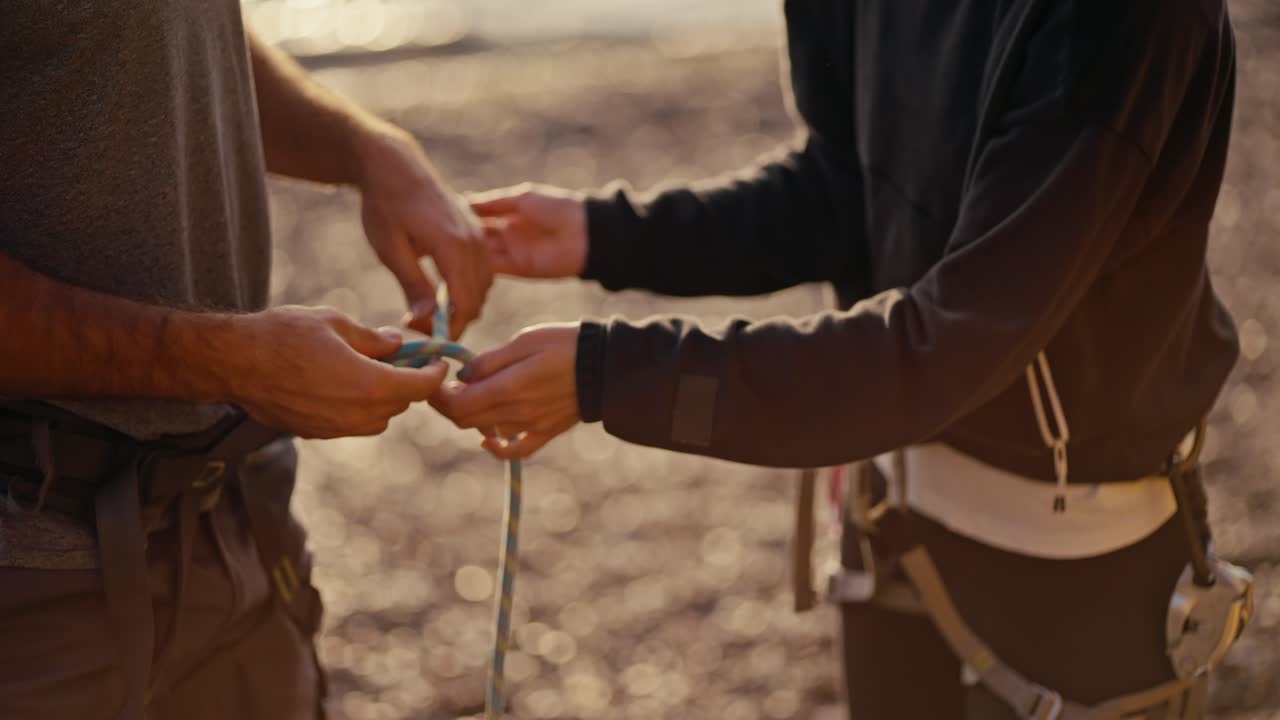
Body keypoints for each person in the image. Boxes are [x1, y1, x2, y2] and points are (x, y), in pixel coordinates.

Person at [435, 1, 1247, 717]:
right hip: (885, 510)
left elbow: (947, 347)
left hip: (1072, 560)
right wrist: (606, 235)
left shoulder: (1128, 18)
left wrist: (609, 376)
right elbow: (841, 188)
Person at [0, 5, 491, 719]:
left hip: (231, 533)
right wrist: (228, 360)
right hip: (35, 588)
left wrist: (361, 148)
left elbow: (159, 39)